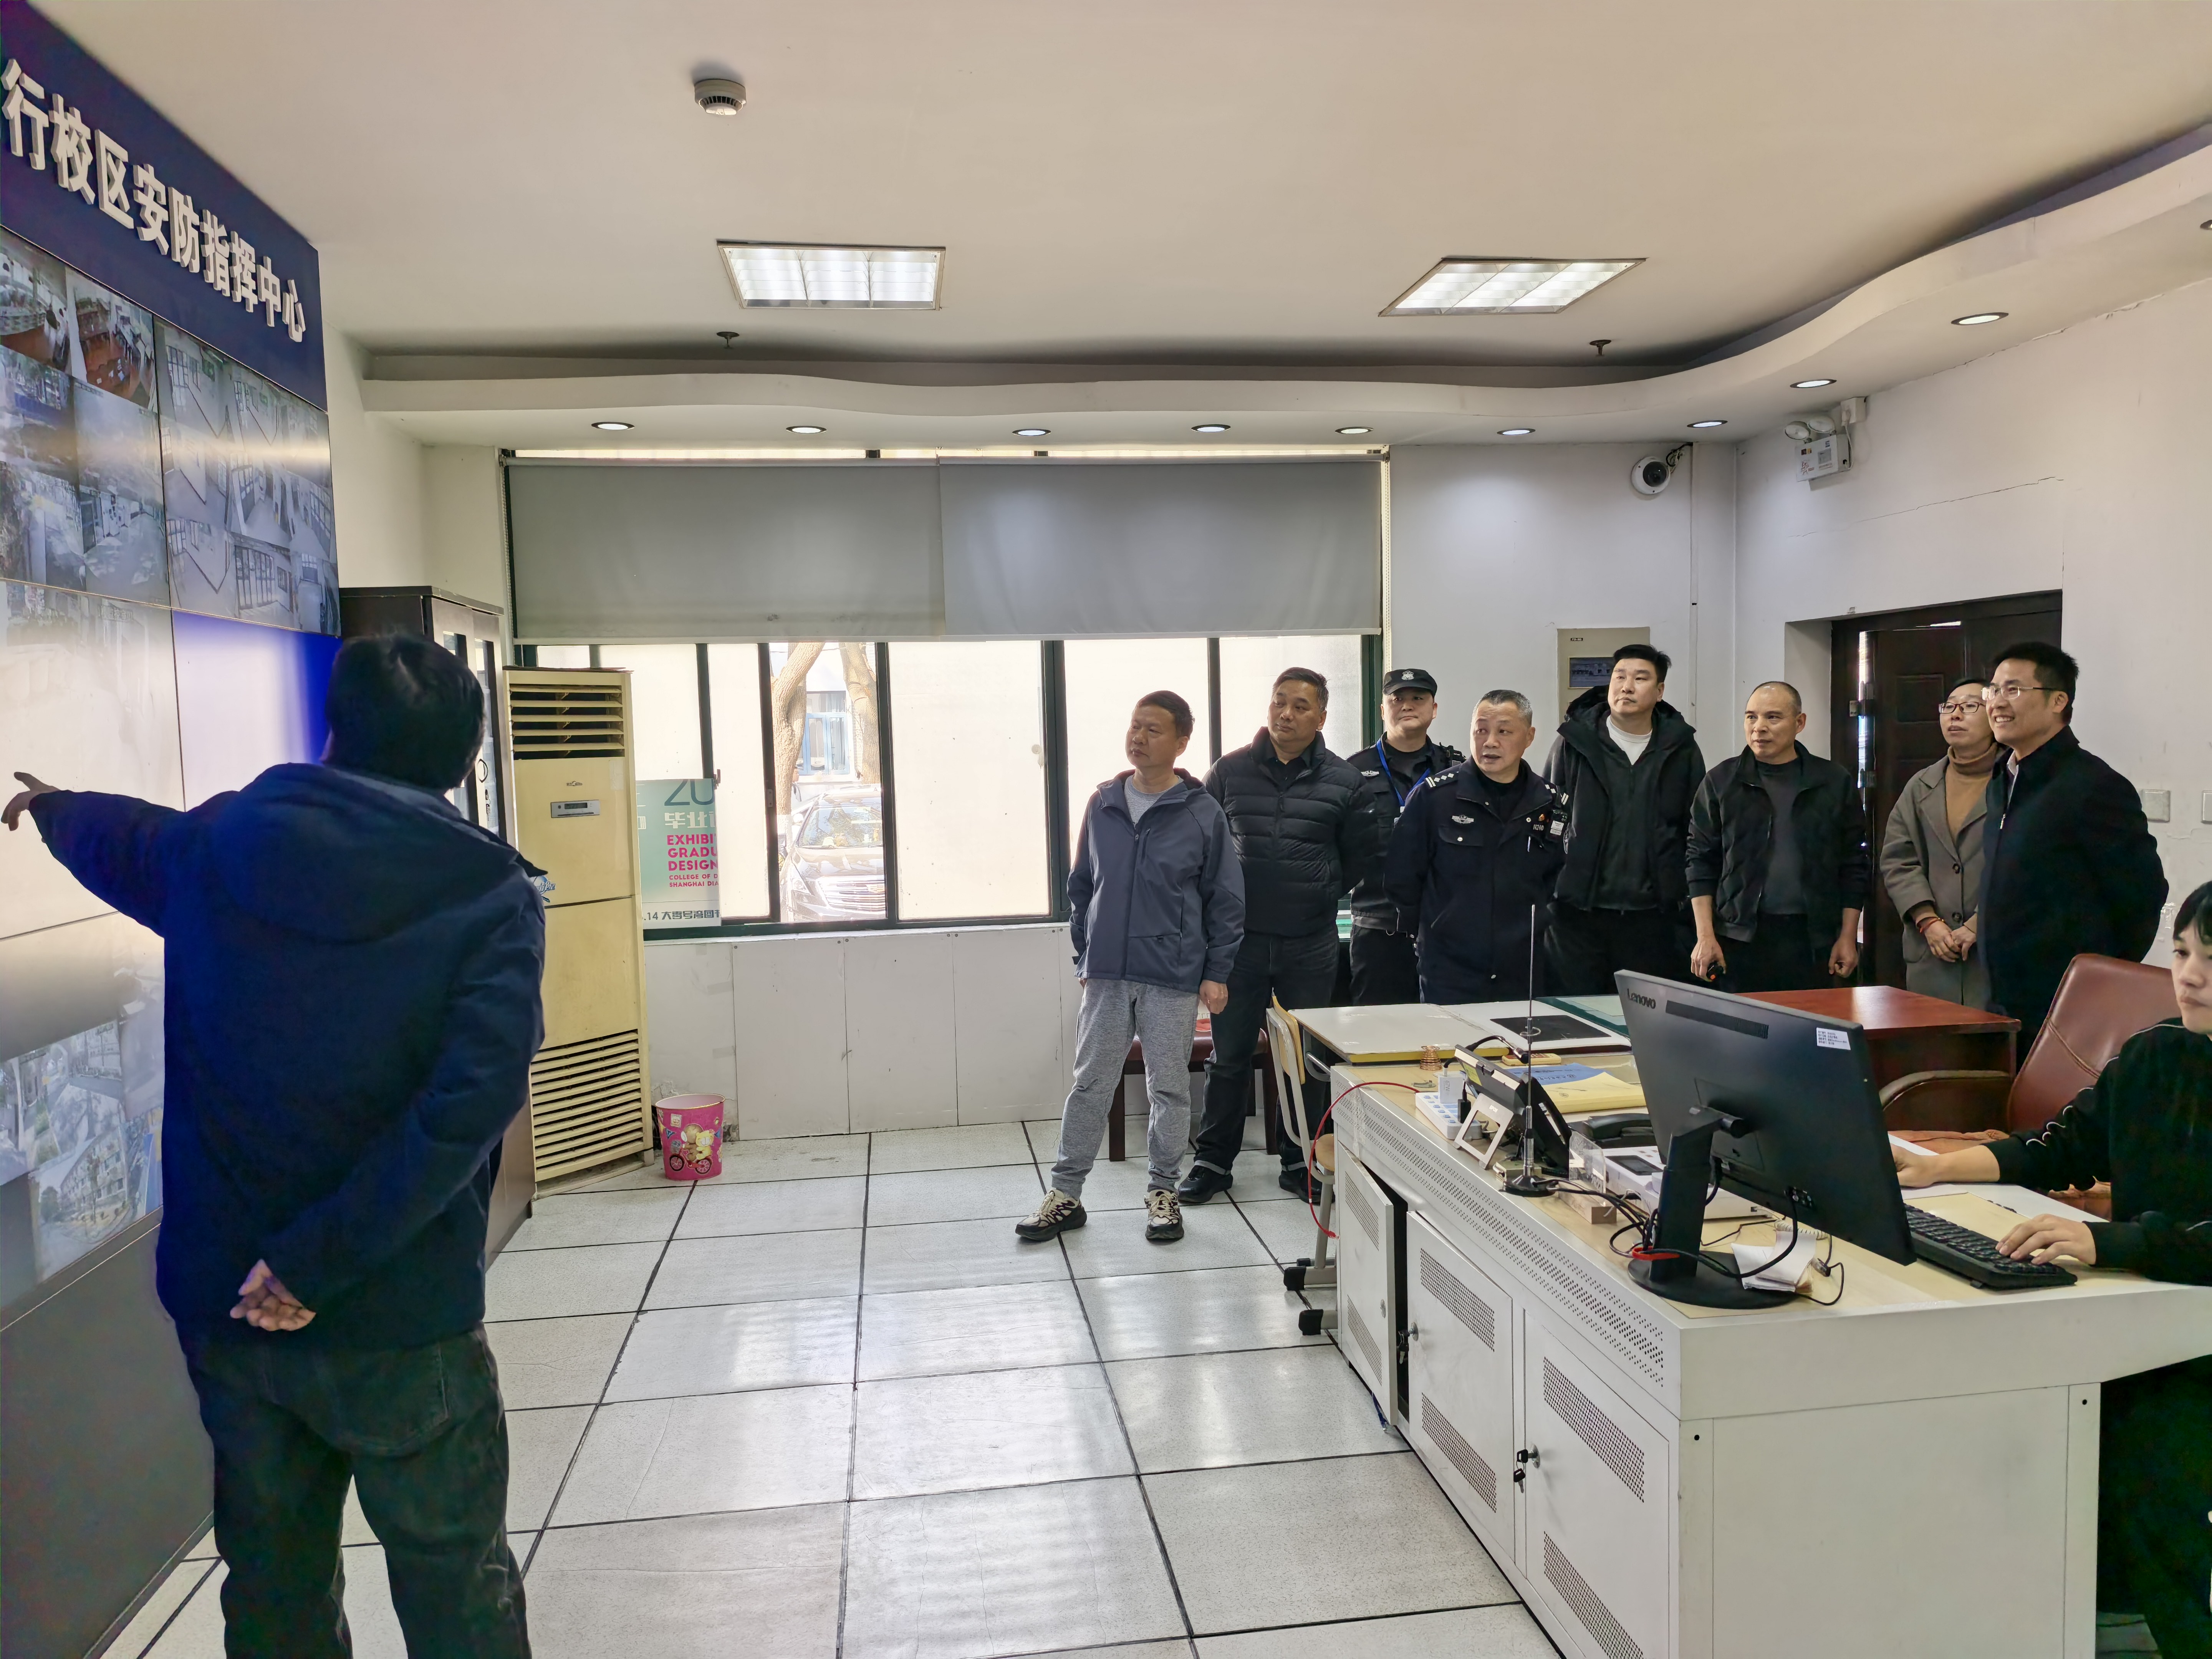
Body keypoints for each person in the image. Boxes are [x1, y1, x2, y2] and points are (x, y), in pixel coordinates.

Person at [3, 635, 541, 1659]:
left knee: (274, 1583)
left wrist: (55, 806)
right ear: (466, 760)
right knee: (453, 1585)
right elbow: (466, 1109)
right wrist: (315, 1264)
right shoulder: (487, 892)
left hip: (231, 1308)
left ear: (334, 734)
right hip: (400, 1315)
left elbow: (128, 840)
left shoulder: (218, 846)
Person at [1894, 880, 2212, 1659]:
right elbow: (2062, 1147)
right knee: (2003, 1394)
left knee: (2147, 1436)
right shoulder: (2157, 1053)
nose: (2191, 976)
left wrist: (2111, 1244)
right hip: (2142, 1311)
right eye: (2182, 953)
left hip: (2188, 1331)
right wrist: (1941, 1168)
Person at [1017, 691, 1242, 1247]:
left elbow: (1226, 899)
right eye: (1135, 726)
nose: (1138, 738)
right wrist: (1086, 954)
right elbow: (1081, 885)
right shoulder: (1104, 804)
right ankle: (1065, 1195)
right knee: (1091, 1084)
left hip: (1172, 974)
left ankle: (1163, 1193)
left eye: (1153, 730)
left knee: (1170, 1088)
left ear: (1182, 742)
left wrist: (1216, 971)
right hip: (1108, 975)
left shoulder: (1202, 813)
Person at [1182, 667, 1384, 1203]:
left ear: (1321, 717)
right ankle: (1212, 1162)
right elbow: (1204, 850)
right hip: (1239, 944)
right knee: (1228, 1057)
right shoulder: (1229, 772)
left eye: (1300, 706)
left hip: (1309, 943)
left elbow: (1361, 856)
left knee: (1305, 1060)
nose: (1286, 714)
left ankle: (1301, 1161)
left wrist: (1319, 890)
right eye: (1279, 702)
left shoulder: (1345, 781)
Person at [1977, 641, 2166, 1048]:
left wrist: (2096, 982)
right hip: (2002, 1005)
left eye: (2013, 689)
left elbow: (2142, 897)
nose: (1997, 702)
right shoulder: (2002, 780)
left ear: (2057, 701)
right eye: (1993, 690)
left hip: (2068, 1010)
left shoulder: (2093, 786)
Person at [1384, 690, 1566, 1004]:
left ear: (1529, 737)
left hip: (1523, 968)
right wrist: (1436, 931)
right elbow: (1402, 879)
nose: (1490, 742)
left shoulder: (1550, 803)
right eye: (1481, 731)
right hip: (1450, 970)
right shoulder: (1435, 797)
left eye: (1504, 732)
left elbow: (1558, 879)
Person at [1543, 643, 1705, 995]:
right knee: (1577, 1013)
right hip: (1577, 914)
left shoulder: (1681, 748)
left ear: (1660, 691)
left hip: (1652, 916)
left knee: (1642, 1015)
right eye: (1620, 677)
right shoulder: (1575, 741)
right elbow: (1549, 817)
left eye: (1640, 679)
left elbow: (1694, 829)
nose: (1626, 687)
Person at [1686, 681, 1866, 992]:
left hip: (1812, 938)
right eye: (1751, 717)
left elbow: (1854, 863)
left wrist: (1848, 936)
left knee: (1809, 1021)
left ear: (1800, 723)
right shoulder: (1721, 781)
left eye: (1773, 717)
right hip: (1738, 937)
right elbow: (1699, 860)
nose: (1759, 728)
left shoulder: (1833, 782)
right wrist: (1705, 937)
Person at [1879, 674, 2000, 1007]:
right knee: (1934, 1034)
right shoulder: (1921, 785)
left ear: (1995, 714)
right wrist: (1928, 920)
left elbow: (2028, 866)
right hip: (1932, 955)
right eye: (1949, 707)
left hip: (1994, 954)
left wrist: (1979, 923)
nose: (1955, 715)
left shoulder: (2016, 781)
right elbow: (1898, 860)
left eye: (1970, 706)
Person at [1346, 667, 1462, 1005]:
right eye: (1397, 699)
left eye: (1418, 698)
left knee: (1445, 1026)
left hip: (1442, 928)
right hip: (1377, 927)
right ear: (1383, 710)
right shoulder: (1351, 771)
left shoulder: (1456, 771)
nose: (1407, 705)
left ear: (1434, 709)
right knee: (1376, 1027)